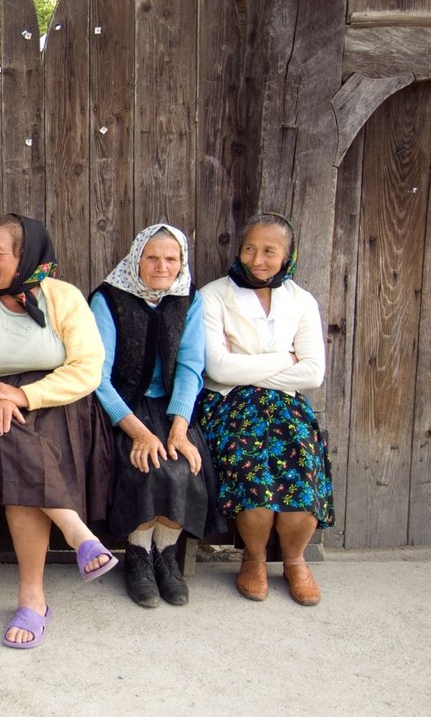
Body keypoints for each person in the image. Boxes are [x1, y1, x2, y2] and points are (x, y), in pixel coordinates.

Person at [0, 214, 114, 649]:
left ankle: (32, 599)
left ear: (25, 256)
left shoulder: (64, 297)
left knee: (14, 443)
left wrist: (23, 396)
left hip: (57, 404)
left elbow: (87, 368)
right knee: (8, 438)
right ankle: (76, 536)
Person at [197, 212, 331, 606]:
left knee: (300, 474)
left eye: (269, 251)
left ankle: (294, 562)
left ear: (287, 255)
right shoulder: (213, 295)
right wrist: (283, 359)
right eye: (250, 249)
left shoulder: (301, 301)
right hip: (228, 403)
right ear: (238, 251)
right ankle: (254, 560)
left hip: (288, 406)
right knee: (251, 473)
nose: (257, 259)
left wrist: (248, 367)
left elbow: (314, 373)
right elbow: (218, 368)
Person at [89, 224, 224, 608]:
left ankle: (166, 557)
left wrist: (179, 428)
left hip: (171, 408)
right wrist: (138, 432)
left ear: (181, 262)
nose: (161, 266)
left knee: (183, 464)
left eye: (171, 258)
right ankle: (137, 556)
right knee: (145, 466)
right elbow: (98, 375)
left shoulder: (188, 300)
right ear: (136, 258)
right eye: (152, 257)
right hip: (121, 408)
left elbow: (190, 367)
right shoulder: (109, 298)